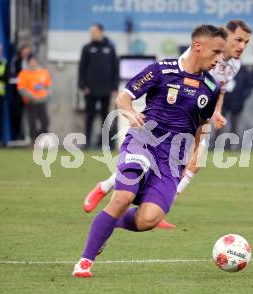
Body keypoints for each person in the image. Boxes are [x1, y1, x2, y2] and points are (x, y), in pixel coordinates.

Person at [72, 24, 226, 277]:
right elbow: (123, 97)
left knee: (148, 219)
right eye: (217, 51)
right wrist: (130, 113)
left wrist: (195, 153)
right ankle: (85, 262)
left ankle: (107, 224)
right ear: (198, 46)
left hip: (172, 157)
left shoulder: (211, 87)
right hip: (143, 140)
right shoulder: (161, 70)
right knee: (122, 197)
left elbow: (201, 126)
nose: (220, 58)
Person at [82, 20, 252, 229]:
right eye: (238, 40)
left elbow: (220, 91)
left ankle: (159, 204)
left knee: (195, 162)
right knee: (149, 162)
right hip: (172, 118)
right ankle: (106, 186)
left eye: (246, 42)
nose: (242, 46)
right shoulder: (194, 58)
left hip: (199, 115)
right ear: (226, 37)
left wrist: (216, 112)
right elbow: (179, 83)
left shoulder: (234, 65)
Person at [78, 23, 119, 149]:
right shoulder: (87, 48)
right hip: (90, 89)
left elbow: (115, 69)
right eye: (91, 32)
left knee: (105, 117)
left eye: (94, 32)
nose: (92, 34)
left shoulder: (110, 48)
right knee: (89, 116)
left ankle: (104, 143)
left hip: (106, 89)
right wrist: (83, 85)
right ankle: (87, 142)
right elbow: (82, 68)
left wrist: (114, 88)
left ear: (101, 32)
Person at [17, 54, 52, 143]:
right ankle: (33, 141)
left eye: (34, 61)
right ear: (28, 63)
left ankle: (44, 141)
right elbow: (21, 88)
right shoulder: (23, 73)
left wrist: (46, 96)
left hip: (42, 101)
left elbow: (48, 86)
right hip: (30, 101)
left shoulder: (44, 72)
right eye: (31, 61)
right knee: (32, 122)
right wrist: (33, 97)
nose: (33, 63)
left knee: (45, 121)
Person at [222, 64, 252, 139]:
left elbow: (249, 85)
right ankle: (217, 144)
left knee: (235, 125)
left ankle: (232, 145)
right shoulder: (223, 68)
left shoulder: (243, 70)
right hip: (223, 102)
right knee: (220, 124)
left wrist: (242, 96)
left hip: (237, 102)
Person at [9, 44, 31, 140]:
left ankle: (30, 135)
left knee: (30, 115)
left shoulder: (32, 62)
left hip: (29, 92)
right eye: (24, 51)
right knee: (17, 114)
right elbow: (13, 76)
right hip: (17, 92)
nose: (26, 53)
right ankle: (18, 135)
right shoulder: (15, 61)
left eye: (27, 52)